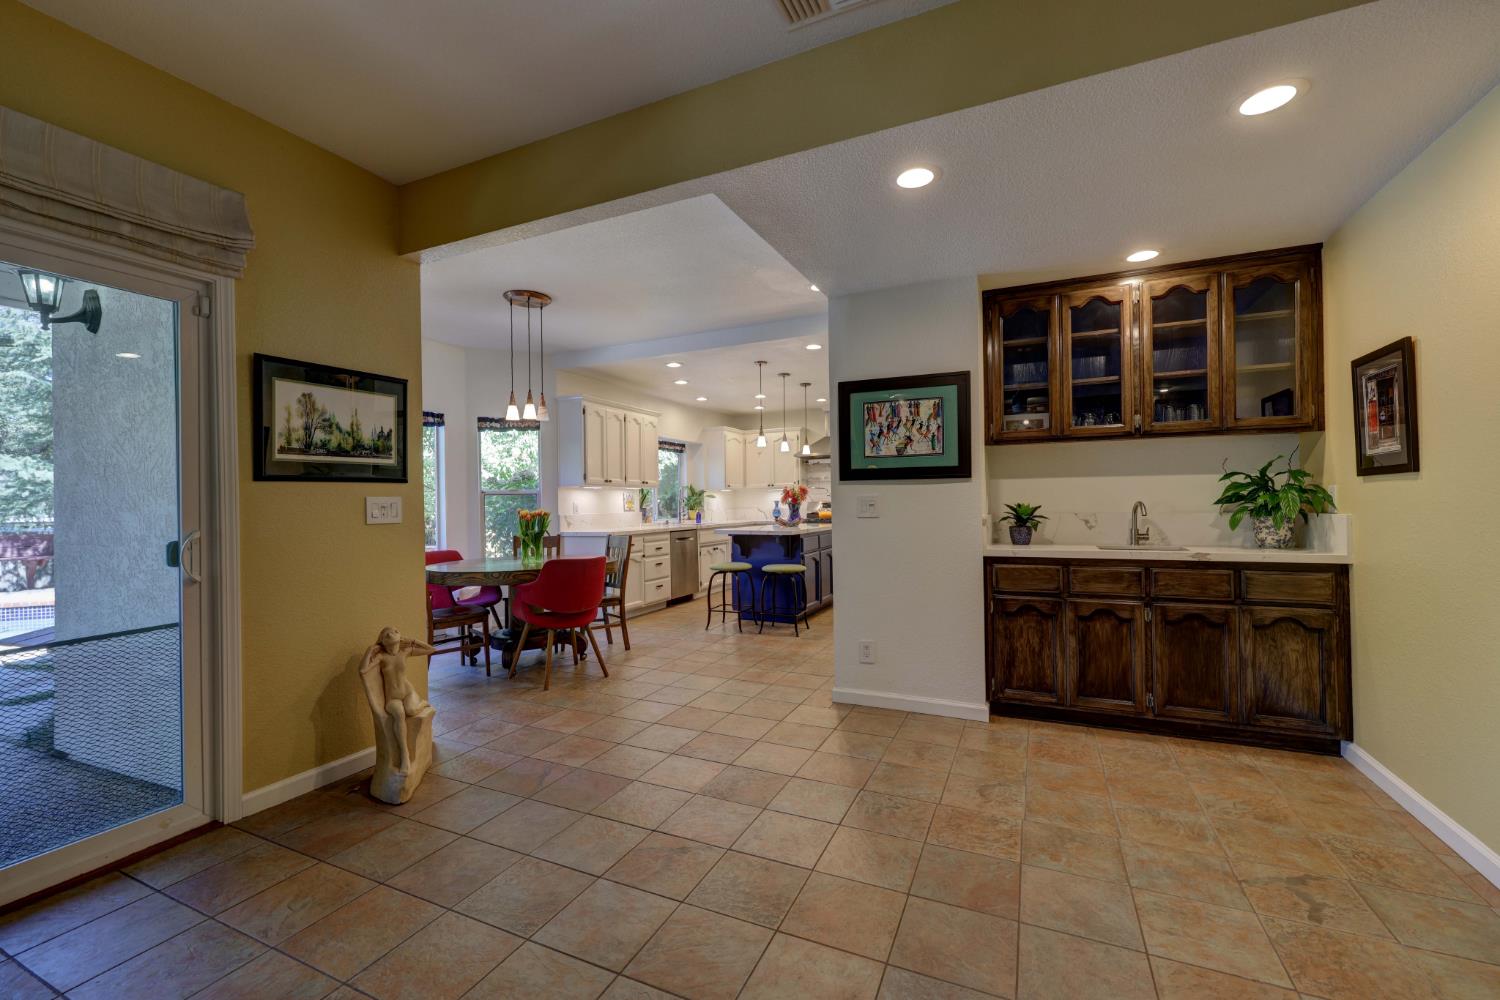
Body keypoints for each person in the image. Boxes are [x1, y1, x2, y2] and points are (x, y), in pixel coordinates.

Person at [359, 627, 435, 774]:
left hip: (408, 692)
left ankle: (423, 703)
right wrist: (370, 650)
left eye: (395, 633)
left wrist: (413, 641)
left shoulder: (404, 652)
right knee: (399, 714)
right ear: (382, 642)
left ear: (400, 639)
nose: (391, 635)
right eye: (386, 636)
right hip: (392, 698)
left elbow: (431, 649)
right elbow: (363, 670)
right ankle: (405, 756)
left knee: (411, 710)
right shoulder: (381, 657)